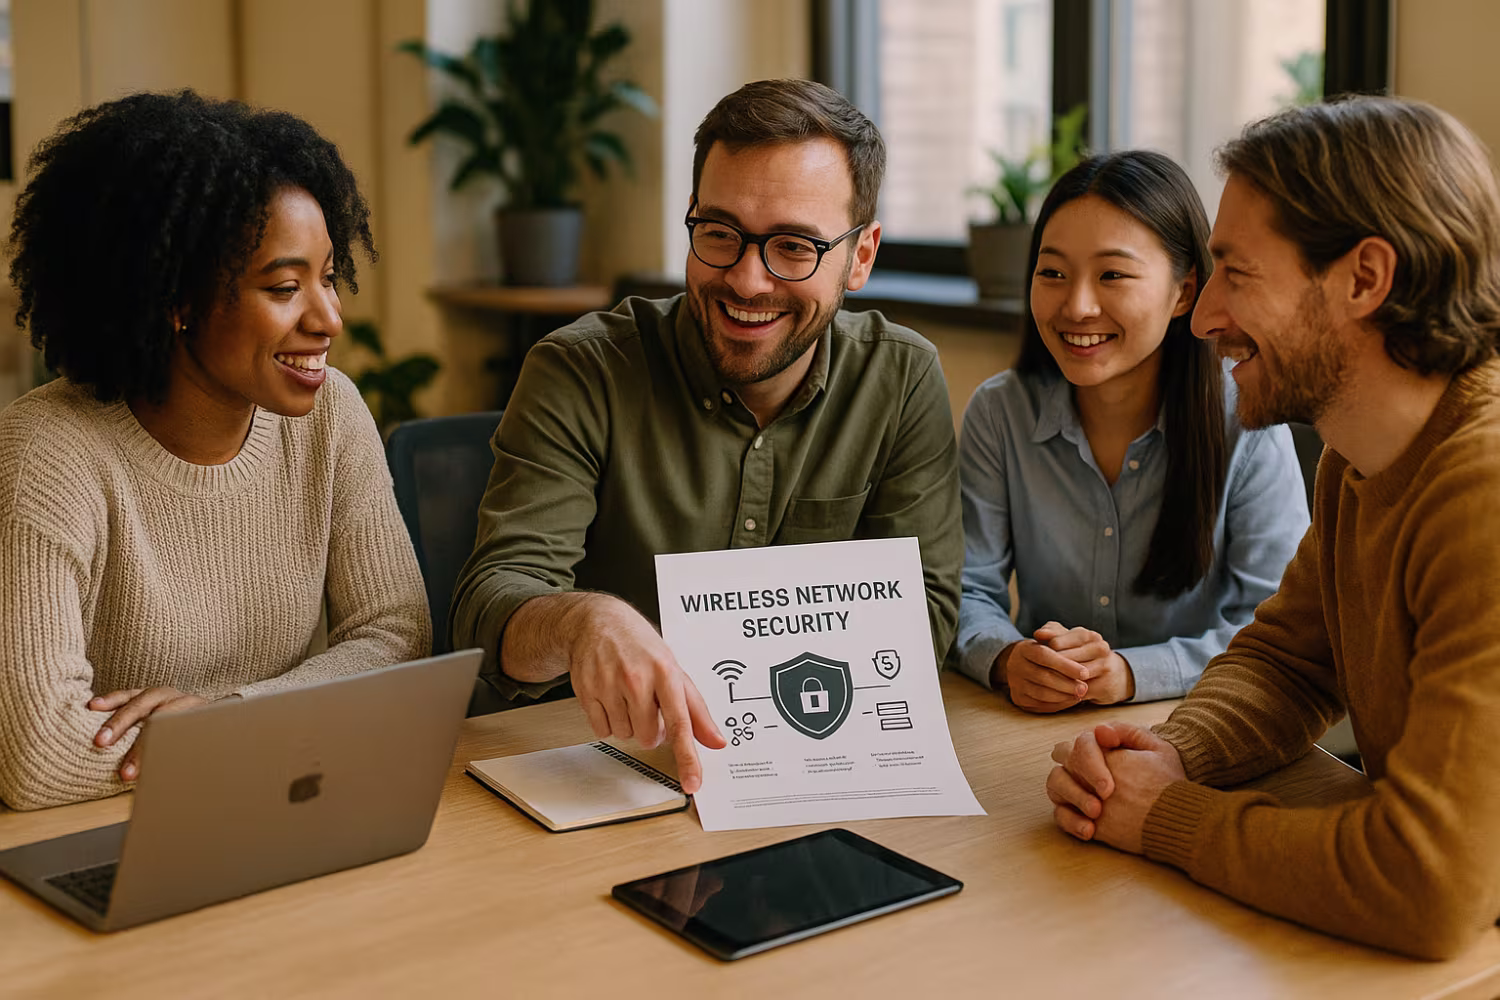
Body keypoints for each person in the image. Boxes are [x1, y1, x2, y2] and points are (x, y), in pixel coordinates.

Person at [1045, 96, 1500, 959]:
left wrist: (1166, 816)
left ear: (1365, 279)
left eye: (1236, 273)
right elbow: (1289, 661)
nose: (1203, 316)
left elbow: (1430, 887)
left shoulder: (1483, 492)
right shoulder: (1358, 459)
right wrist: (1172, 755)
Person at [450, 79, 962, 793]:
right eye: (720, 234)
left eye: (793, 247)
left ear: (862, 256)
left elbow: (923, 619)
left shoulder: (901, 378)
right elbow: (487, 607)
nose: (747, 281)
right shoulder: (581, 369)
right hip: (607, 770)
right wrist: (581, 622)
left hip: (814, 769)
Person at [0, 91, 431, 811]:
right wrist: (277, 724)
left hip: (280, 803)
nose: (330, 318)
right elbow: (37, 753)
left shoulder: (332, 414)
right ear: (178, 301)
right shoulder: (47, 453)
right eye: (285, 287)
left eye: (329, 277)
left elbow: (398, 639)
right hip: (108, 831)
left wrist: (231, 719)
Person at [956, 151, 1307, 712]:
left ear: (1184, 293)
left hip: (1199, 722)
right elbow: (966, 589)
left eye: (1112, 275)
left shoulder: (1248, 418)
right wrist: (1007, 658)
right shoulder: (1000, 413)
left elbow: (1278, 627)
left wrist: (1130, 673)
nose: (1077, 306)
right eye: (1053, 273)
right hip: (1037, 722)